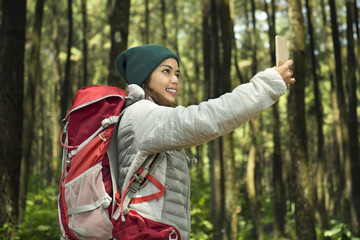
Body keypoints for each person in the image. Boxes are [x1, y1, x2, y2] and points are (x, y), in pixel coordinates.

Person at [113, 44, 295, 240]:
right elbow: (207, 118)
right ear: (144, 76)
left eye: (177, 74)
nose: (175, 80)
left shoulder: (147, 115)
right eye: (166, 71)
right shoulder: (141, 114)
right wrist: (266, 86)